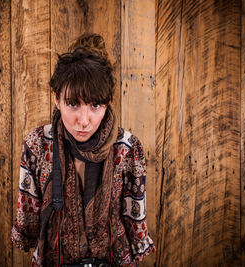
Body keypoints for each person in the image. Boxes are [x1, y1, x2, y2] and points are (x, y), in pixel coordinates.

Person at [11, 33, 155, 266]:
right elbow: (28, 223)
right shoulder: (37, 145)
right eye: (72, 104)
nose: (84, 120)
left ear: (107, 103)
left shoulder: (127, 148)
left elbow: (135, 223)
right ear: (56, 99)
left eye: (95, 105)